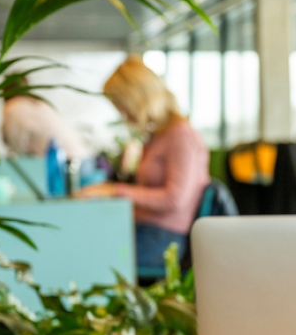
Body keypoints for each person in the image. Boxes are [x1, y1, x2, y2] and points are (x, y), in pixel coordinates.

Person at [75, 55, 209, 272]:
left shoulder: (181, 136)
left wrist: (113, 191)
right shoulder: (158, 136)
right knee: (85, 243)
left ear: (138, 98)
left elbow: (174, 199)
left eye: (121, 105)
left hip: (163, 238)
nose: (122, 113)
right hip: (145, 228)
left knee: (91, 261)